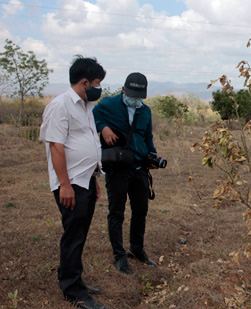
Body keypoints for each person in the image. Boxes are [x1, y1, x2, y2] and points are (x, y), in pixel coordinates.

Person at [40, 56, 107, 309]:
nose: (100, 88)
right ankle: (73, 290)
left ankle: (72, 277)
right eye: (98, 83)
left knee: (80, 233)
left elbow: (88, 143)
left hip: (85, 180)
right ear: (85, 82)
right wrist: (65, 185)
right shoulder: (61, 106)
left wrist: (95, 178)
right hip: (70, 184)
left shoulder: (85, 107)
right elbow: (56, 147)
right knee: (74, 235)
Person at [93, 72, 160, 275]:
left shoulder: (145, 111)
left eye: (139, 96)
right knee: (116, 213)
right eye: (132, 95)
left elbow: (147, 137)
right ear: (123, 90)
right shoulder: (108, 105)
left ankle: (137, 249)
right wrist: (103, 128)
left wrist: (153, 156)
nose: (135, 100)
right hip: (118, 168)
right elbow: (92, 117)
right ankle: (120, 256)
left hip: (139, 168)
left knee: (141, 211)